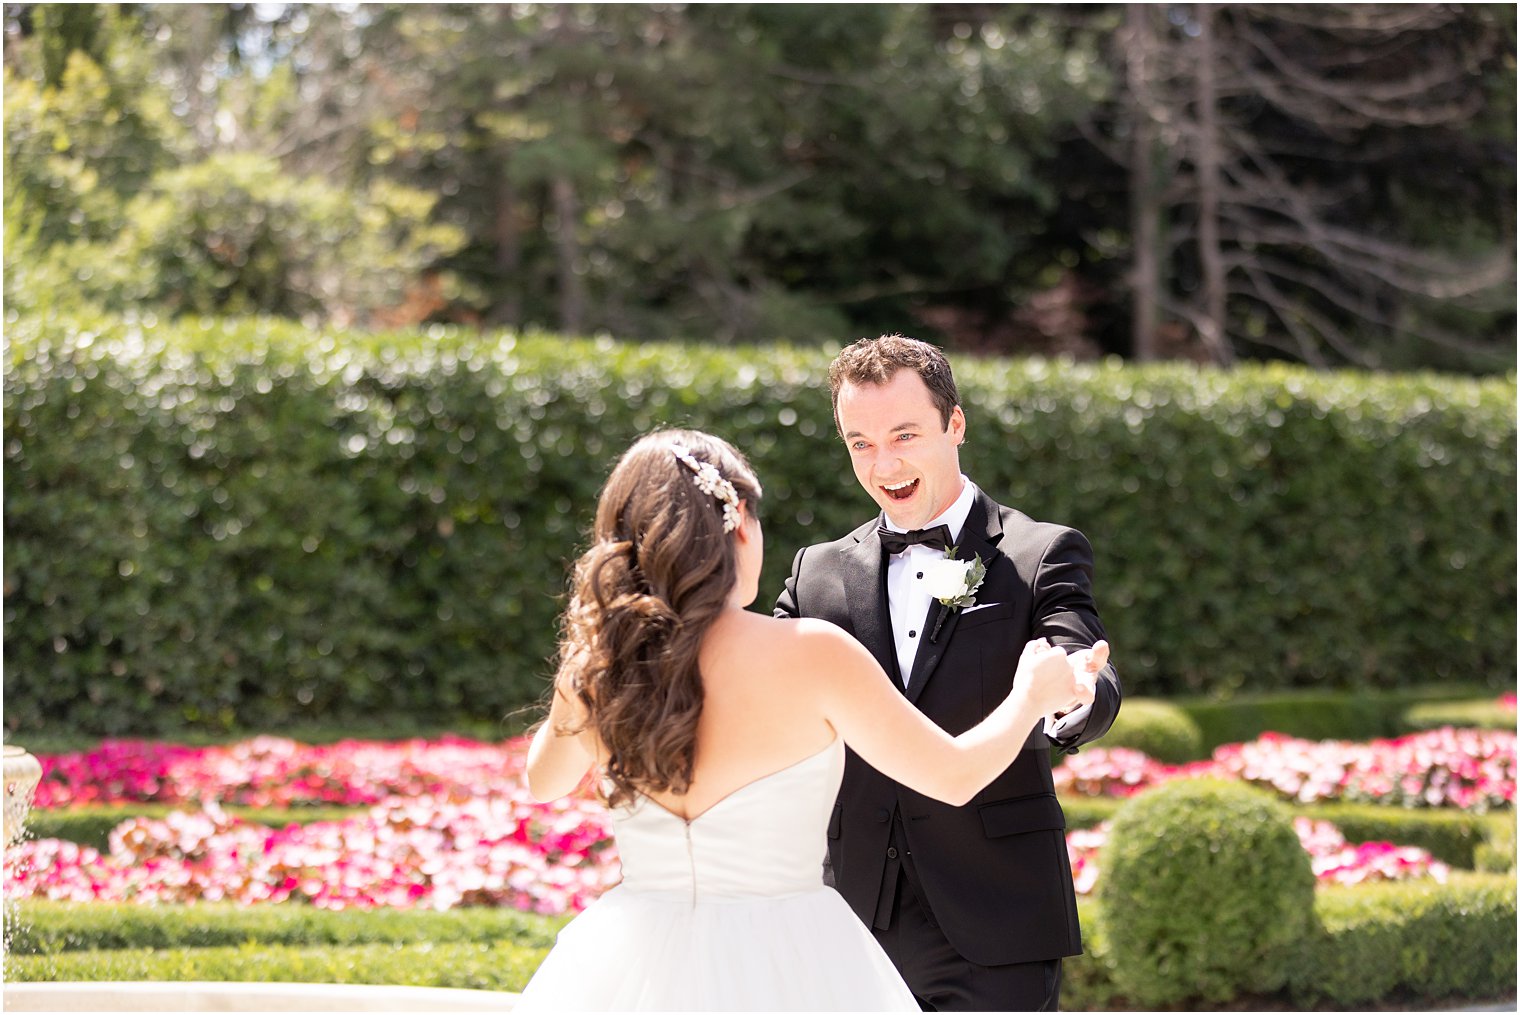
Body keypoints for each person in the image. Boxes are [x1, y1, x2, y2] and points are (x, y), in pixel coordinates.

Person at [517, 428, 1102, 1012]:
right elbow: (952, 777)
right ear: (740, 522)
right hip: (787, 957)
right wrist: (1029, 697)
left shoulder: (596, 670)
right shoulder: (810, 652)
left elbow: (542, 782)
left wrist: (593, 659)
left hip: (628, 961)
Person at [774, 335, 1122, 1011]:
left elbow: (1083, 660)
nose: (885, 462)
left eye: (904, 434)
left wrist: (1074, 692)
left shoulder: (1037, 551)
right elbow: (758, 680)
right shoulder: (815, 572)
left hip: (996, 913)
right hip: (850, 917)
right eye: (861, 442)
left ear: (955, 423)